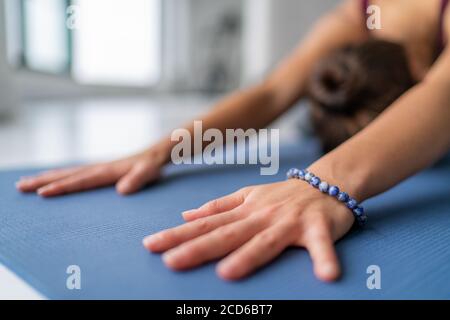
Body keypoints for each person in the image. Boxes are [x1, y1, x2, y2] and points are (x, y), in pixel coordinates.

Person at [16, 0, 450, 282]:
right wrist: (160, 151)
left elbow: (440, 98)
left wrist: (321, 184)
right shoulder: (363, 12)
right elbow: (273, 92)